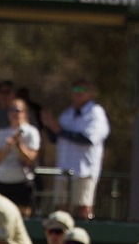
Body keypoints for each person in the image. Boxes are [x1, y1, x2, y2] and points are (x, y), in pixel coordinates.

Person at [42, 80, 109, 220]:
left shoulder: (95, 113)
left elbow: (88, 138)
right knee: (61, 210)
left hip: (84, 171)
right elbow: (56, 138)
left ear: (89, 93)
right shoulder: (67, 113)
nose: (78, 93)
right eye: (75, 89)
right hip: (64, 171)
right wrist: (48, 125)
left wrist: (59, 130)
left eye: (82, 90)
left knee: (82, 208)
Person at [0, 96, 40, 215]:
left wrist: (19, 145)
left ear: (25, 113)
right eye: (11, 110)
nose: (14, 113)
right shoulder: (1, 133)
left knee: (23, 216)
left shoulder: (31, 132)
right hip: (2, 180)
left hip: (22, 182)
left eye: (18, 110)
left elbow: (30, 159)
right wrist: (7, 147)